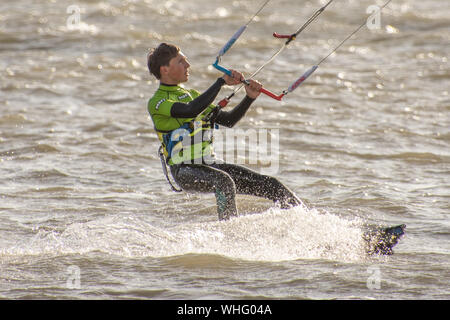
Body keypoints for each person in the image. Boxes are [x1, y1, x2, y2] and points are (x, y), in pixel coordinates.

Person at [147, 43, 303, 220]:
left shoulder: (191, 94)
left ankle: (306, 221)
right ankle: (229, 232)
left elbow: (228, 120)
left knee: (271, 185)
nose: (188, 65)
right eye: (181, 61)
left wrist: (249, 98)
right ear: (165, 69)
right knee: (224, 181)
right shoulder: (157, 101)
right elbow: (190, 110)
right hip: (184, 170)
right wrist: (220, 82)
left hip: (210, 164)